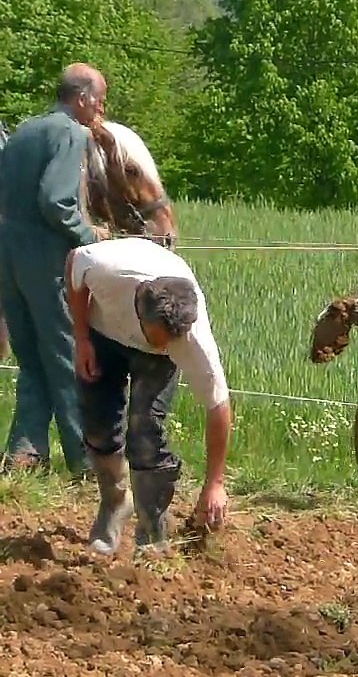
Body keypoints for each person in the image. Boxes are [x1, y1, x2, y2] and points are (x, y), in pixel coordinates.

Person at [64, 236, 232, 555]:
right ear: (141, 312)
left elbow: (218, 406)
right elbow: (75, 262)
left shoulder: (187, 338)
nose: (162, 343)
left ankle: (152, 532)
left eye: (169, 340)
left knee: (145, 432)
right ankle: (114, 505)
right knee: (97, 423)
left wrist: (215, 484)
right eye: (158, 338)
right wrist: (82, 337)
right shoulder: (105, 269)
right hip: (104, 333)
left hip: (155, 364)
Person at [0, 63, 110, 475]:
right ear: (81, 98)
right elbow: (55, 200)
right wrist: (89, 234)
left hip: (7, 256)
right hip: (45, 262)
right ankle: (86, 460)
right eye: (99, 100)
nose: (101, 108)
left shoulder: (24, 131)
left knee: (31, 359)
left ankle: (25, 453)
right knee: (68, 357)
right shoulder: (70, 133)